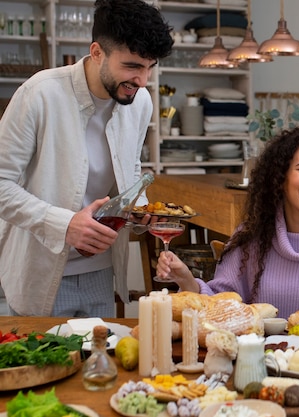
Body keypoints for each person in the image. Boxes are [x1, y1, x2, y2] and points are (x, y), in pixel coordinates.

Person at [0, 0, 173, 317]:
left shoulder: (140, 101)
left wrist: (139, 207)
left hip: (101, 271)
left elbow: (130, 170)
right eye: (133, 66)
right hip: (40, 271)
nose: (143, 80)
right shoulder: (40, 94)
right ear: (97, 52)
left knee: (101, 362)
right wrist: (65, 224)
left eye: (151, 67)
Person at [157, 127, 299, 322]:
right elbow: (220, 305)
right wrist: (186, 280)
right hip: (261, 359)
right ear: (280, 179)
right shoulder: (252, 237)